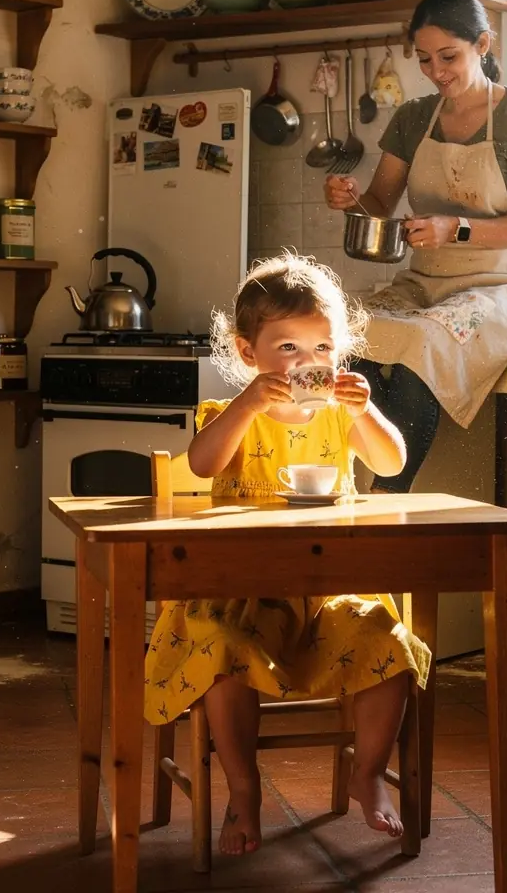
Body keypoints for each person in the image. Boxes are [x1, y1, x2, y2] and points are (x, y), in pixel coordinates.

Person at [143, 252, 431, 857]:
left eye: (322, 348)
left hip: (329, 591)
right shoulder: (233, 416)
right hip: (241, 593)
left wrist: (365, 410)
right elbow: (202, 464)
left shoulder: (340, 418)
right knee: (222, 650)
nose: (308, 363)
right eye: (289, 349)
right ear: (249, 353)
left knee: (387, 638)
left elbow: (392, 464)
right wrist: (247, 405)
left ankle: (370, 773)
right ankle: (244, 789)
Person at [325, 0, 507, 494]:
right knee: (346, 336)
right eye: (425, 60)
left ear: (483, 43)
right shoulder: (412, 118)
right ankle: (346, 484)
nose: (436, 72)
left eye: (448, 56)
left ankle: (386, 498)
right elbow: (379, 205)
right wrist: (350, 200)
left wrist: (456, 228)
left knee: (422, 346)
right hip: (427, 284)